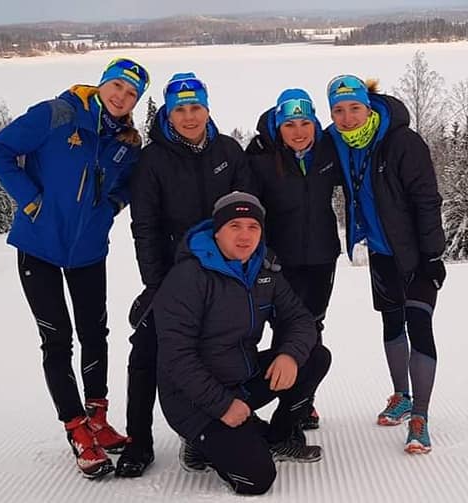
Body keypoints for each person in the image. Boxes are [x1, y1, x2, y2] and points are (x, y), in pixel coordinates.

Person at [0, 57, 150, 478]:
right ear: (102, 84)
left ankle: (97, 417)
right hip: (39, 247)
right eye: (117, 86)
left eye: (131, 94)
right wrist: (30, 200)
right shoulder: (58, 114)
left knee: (96, 334)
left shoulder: (127, 142)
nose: (121, 97)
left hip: (89, 251)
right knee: (57, 341)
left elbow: (128, 184)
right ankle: (76, 428)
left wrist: (110, 207)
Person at [117, 72, 251, 477]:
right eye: (180, 109)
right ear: (168, 114)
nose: (189, 117)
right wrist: (156, 285)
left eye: (196, 107)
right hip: (174, 277)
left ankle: (216, 431)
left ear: (208, 109)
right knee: (147, 353)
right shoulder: (153, 160)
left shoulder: (228, 151)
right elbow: (145, 226)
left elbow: (249, 212)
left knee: (221, 351)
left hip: (224, 274)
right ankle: (139, 442)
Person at [156, 191, 332, 495]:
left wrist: (289, 355)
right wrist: (222, 405)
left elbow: (300, 320)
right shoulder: (189, 276)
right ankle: (200, 446)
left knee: (315, 357)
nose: (244, 235)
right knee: (256, 479)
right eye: (235, 225)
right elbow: (176, 357)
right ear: (217, 230)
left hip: (241, 379)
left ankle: (277, 437)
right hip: (193, 400)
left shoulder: (264, 270)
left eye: (253, 227)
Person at [325, 74, 446, 454]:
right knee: (392, 322)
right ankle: (401, 396)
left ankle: (420, 418)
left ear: (369, 105)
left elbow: (427, 200)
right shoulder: (338, 143)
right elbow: (296, 141)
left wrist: (433, 256)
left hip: (416, 256)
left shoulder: (402, 143)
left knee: (419, 324)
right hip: (380, 254)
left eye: (354, 108)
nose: (347, 118)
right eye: (338, 111)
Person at [245, 89, 341, 430]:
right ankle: (276, 400)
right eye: (289, 125)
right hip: (277, 261)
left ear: (315, 122)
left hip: (321, 257)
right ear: (277, 126)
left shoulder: (330, 149)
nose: (298, 131)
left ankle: (302, 400)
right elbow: (248, 208)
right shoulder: (260, 156)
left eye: (305, 122)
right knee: (282, 329)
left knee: (312, 328)